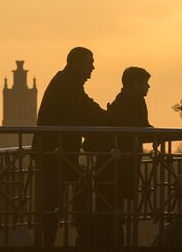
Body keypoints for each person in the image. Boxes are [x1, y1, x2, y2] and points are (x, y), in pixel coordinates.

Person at [33, 47, 105, 247]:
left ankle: (78, 236)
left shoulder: (65, 82)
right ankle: (83, 237)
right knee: (54, 203)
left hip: (57, 154)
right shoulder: (67, 85)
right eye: (89, 63)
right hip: (55, 155)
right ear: (75, 63)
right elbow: (84, 109)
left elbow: (82, 109)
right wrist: (108, 118)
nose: (93, 67)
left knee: (61, 198)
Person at [85, 67, 152, 246]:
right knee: (111, 208)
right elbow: (139, 129)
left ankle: (104, 241)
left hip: (113, 164)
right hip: (118, 165)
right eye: (144, 82)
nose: (148, 86)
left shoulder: (125, 101)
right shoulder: (131, 102)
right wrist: (156, 135)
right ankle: (108, 243)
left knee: (108, 208)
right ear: (133, 84)